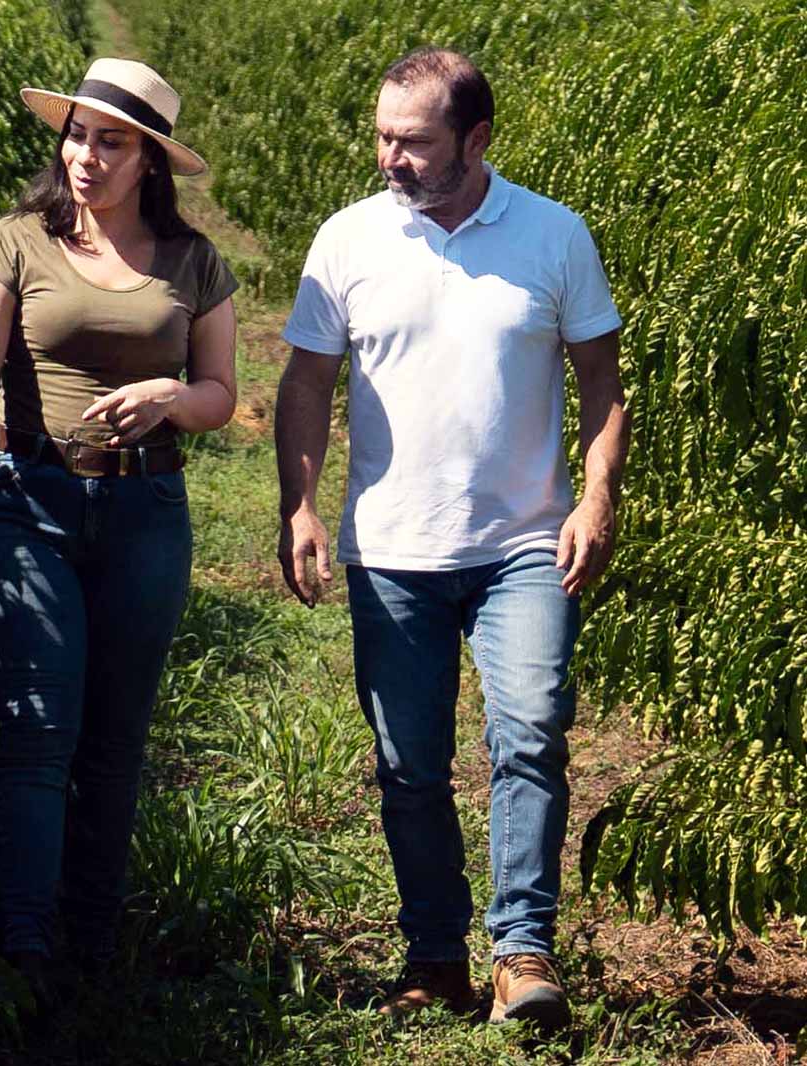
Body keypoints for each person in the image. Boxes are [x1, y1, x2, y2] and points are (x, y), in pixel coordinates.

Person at [275, 46, 629, 1031]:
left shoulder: (554, 236)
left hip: (523, 542)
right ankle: (435, 957)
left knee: (528, 736)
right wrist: (298, 504)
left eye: (414, 142)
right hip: (392, 550)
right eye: (382, 138)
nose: (391, 158)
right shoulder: (346, 240)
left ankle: (521, 952)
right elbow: (304, 382)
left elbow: (600, 379)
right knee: (408, 764)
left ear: (475, 140)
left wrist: (595, 497)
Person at [0, 58, 238, 985]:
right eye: (78, 135)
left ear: (149, 162)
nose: (87, 156)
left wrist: (170, 395)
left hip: (144, 511)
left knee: (117, 735)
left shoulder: (193, 262)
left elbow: (222, 396)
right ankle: (28, 941)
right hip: (26, 500)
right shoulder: (18, 239)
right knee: (39, 725)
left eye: (113, 142)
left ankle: (93, 933)